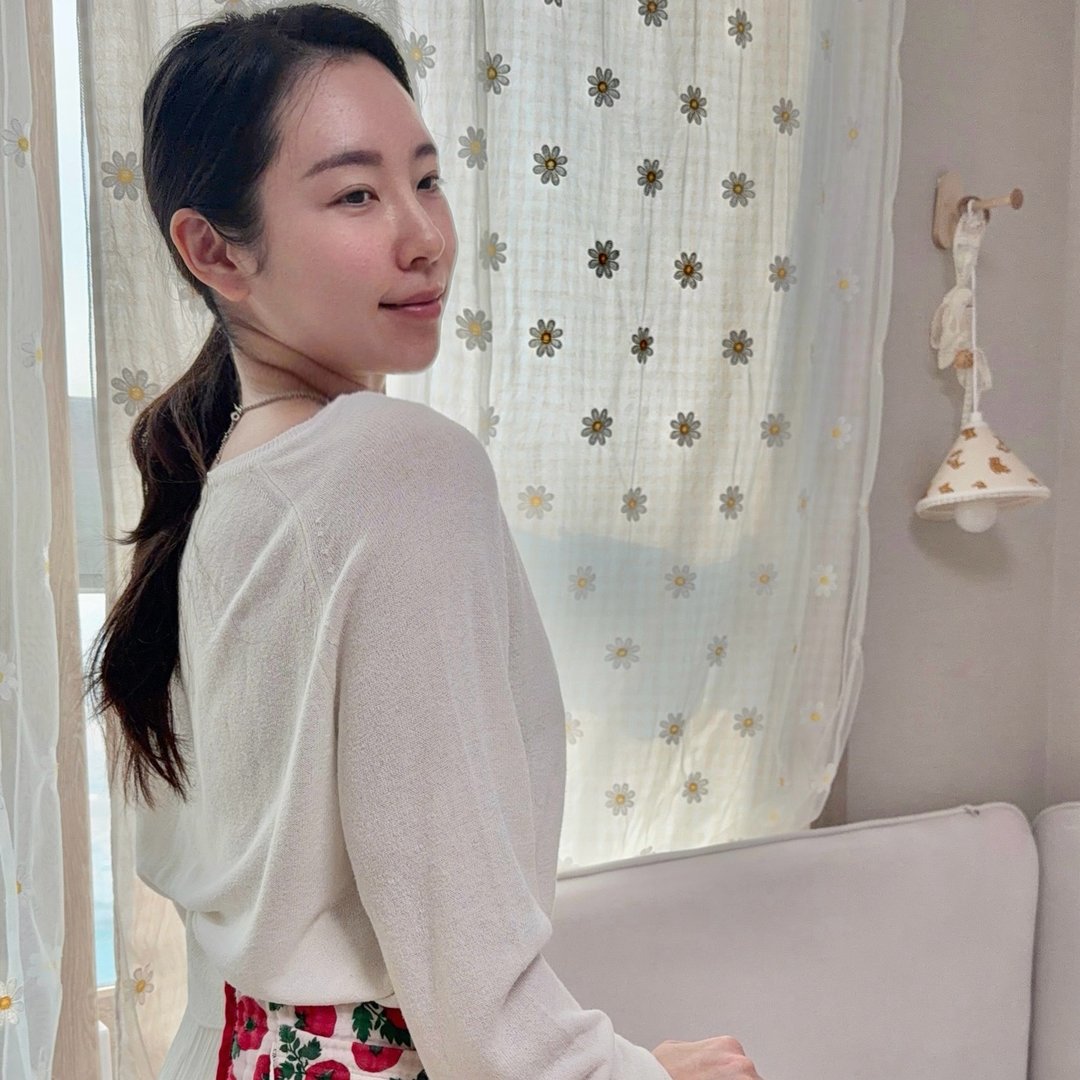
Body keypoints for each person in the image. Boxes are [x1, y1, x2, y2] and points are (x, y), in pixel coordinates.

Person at [84, 4, 767, 1078]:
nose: (425, 236)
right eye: (356, 194)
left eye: (427, 179)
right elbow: (469, 980)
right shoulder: (397, 467)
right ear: (215, 250)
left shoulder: (226, 486)